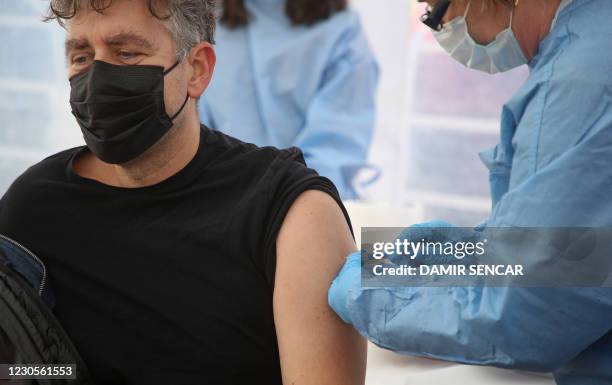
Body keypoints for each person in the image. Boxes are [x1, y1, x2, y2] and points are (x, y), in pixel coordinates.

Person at [0, 0, 367, 384]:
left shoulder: (290, 214)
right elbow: (14, 369)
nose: (98, 80)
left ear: (197, 70)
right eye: (81, 56)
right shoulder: (33, 210)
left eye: (127, 53)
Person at [328, 0, 612, 384]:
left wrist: (365, 292)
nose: (441, 27)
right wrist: (450, 253)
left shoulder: (581, 82)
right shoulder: (588, 43)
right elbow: (579, 245)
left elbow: (522, 312)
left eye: (435, 9)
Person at [198, 0, 379, 199]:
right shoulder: (206, 23)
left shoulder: (342, 33)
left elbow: (332, 154)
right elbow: (194, 138)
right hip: (220, 200)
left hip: (306, 205)